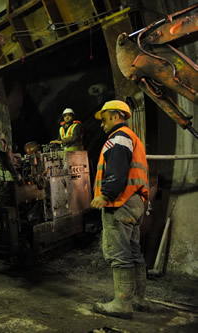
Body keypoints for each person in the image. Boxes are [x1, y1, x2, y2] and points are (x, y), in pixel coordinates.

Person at [90, 100, 150, 319]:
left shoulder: (119, 137)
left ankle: (122, 305)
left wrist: (106, 194)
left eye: (104, 119)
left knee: (120, 255)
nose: (101, 125)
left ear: (115, 116)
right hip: (135, 202)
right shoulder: (132, 138)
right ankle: (139, 300)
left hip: (120, 203)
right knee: (134, 253)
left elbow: (117, 169)